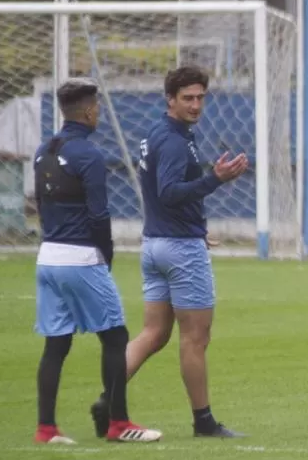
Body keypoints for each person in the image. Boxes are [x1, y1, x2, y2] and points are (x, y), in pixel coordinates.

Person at [91, 66, 248, 439]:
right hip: (179, 250)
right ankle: (204, 422)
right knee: (195, 339)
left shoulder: (159, 132)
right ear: (170, 99)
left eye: (200, 97)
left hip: (156, 245)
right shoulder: (176, 141)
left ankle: (106, 398)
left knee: (154, 333)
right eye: (188, 98)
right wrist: (215, 179)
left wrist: (196, 227)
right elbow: (169, 191)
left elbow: (166, 195)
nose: (196, 105)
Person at [34, 79, 161, 444]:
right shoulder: (88, 155)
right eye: (98, 108)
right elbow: (99, 214)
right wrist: (105, 255)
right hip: (80, 257)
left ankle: (46, 428)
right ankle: (119, 423)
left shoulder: (44, 150)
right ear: (89, 111)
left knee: (56, 344)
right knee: (116, 335)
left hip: (48, 257)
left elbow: (41, 206)